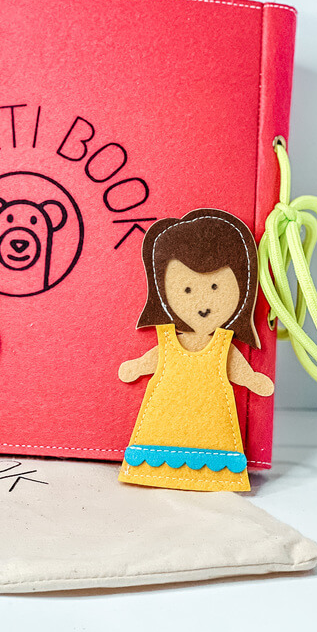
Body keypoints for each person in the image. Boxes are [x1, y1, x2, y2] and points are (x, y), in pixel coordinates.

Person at [118, 208, 274, 492]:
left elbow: (238, 369)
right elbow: (156, 359)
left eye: (215, 286)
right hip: (165, 419)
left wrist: (252, 379)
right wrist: (139, 366)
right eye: (187, 290)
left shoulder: (223, 345)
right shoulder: (167, 340)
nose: (203, 302)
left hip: (211, 422)